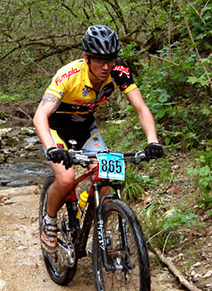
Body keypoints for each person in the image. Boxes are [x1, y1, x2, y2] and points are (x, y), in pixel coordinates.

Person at [32, 24, 164, 253]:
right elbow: (40, 116)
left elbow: (141, 108)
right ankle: (50, 221)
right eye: (100, 61)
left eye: (110, 60)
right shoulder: (68, 75)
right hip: (56, 128)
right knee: (66, 178)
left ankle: (95, 225)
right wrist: (52, 148)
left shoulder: (119, 72)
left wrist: (152, 141)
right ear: (87, 58)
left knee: (106, 178)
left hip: (86, 127)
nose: (106, 67)